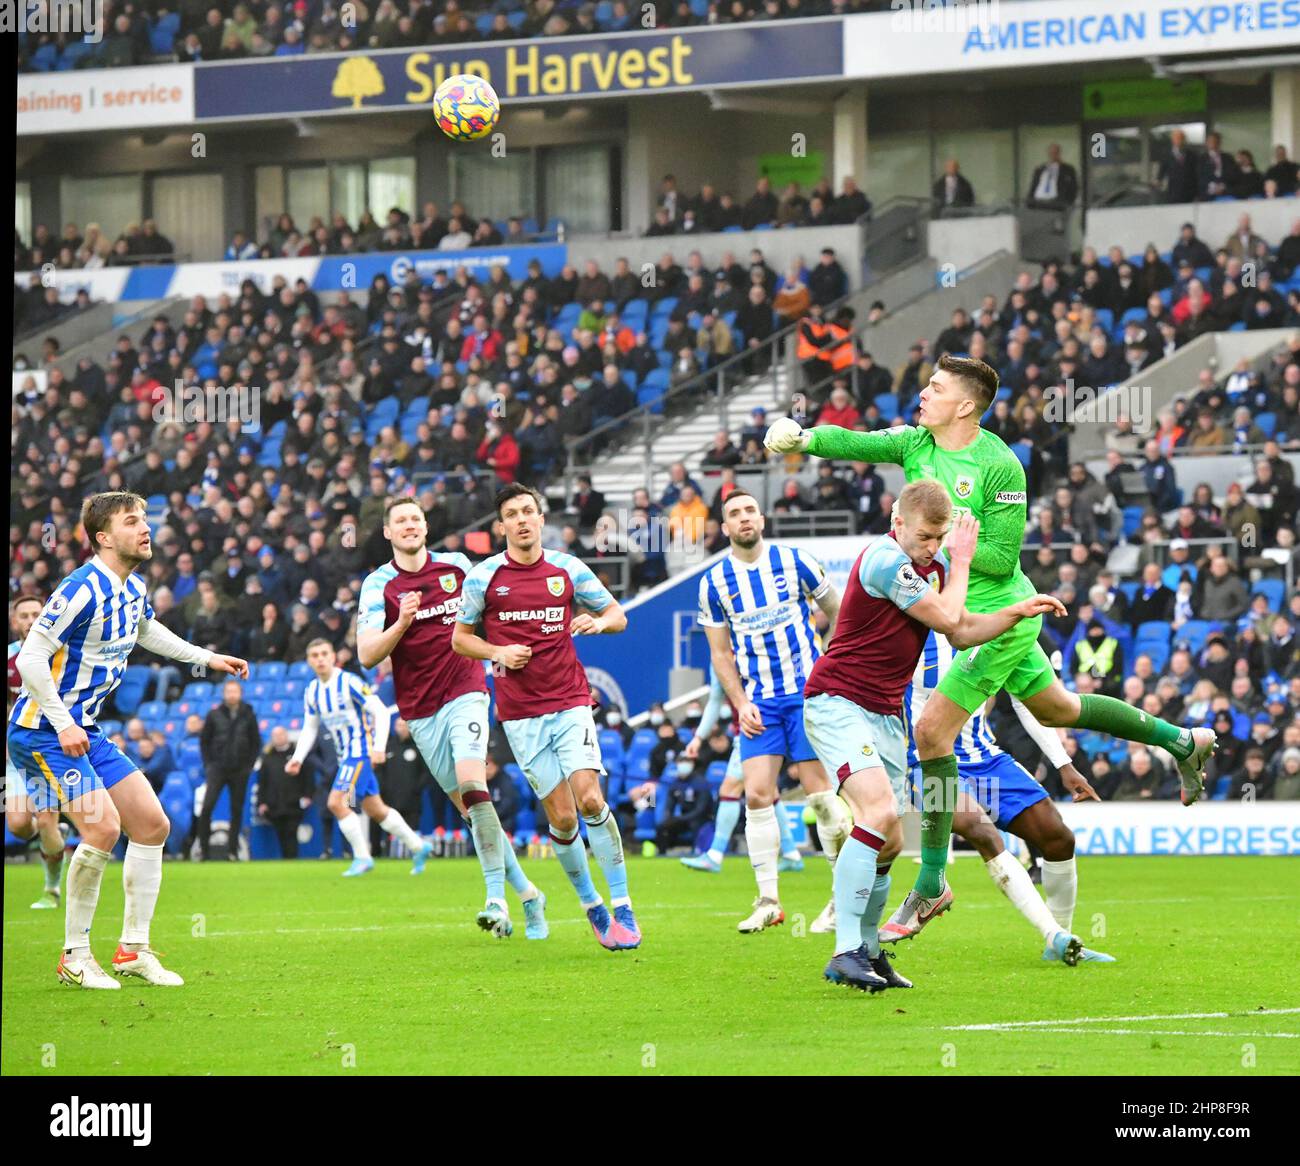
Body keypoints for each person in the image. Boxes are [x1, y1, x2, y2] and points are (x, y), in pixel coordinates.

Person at [766, 354, 1217, 928]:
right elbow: (855, 441)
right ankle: (1182, 740)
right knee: (1061, 707)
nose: (922, 394)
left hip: (999, 614)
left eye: (935, 387)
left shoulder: (1001, 465)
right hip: (972, 618)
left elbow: (1004, 558)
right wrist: (803, 437)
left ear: (966, 405)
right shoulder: (913, 444)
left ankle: (929, 883)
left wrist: (947, 537)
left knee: (931, 731)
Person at [803, 485, 1067, 990]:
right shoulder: (884, 559)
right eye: (924, 536)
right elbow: (948, 616)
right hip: (837, 700)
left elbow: (962, 632)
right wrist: (961, 559)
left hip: (884, 714)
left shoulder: (932, 568)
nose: (931, 546)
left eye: (939, 538)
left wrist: (1017, 610)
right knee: (878, 815)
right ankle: (844, 951)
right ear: (897, 521)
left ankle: (872, 954)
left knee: (889, 840)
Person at [9, 491, 248, 989]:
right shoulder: (80, 588)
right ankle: (74, 956)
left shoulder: (131, 587)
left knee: (153, 824)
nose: (145, 529)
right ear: (102, 537)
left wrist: (208, 659)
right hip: (42, 731)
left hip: (85, 729)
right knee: (102, 831)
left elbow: (149, 633)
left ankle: (131, 950)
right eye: (132, 521)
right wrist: (63, 721)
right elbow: (30, 659)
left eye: (145, 520)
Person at [452, 483, 639, 952]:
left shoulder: (568, 568)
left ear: (540, 518)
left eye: (528, 511)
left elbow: (618, 616)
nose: (521, 520)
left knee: (590, 799)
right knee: (560, 815)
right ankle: (592, 905)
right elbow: (459, 639)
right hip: (520, 713)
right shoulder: (484, 577)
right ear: (501, 526)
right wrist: (497, 650)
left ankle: (622, 904)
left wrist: (598, 622)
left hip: (571, 699)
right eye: (512, 514)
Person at [357, 496, 544, 937]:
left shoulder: (458, 567)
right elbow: (366, 655)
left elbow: (497, 605)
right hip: (420, 711)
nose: (409, 526)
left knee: (474, 783)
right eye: (400, 521)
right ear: (388, 532)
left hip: (467, 691)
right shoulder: (378, 585)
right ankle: (530, 895)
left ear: (425, 527)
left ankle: (495, 898)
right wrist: (401, 623)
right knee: (474, 810)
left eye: (415, 519)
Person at [891, 644, 1114, 963]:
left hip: (985, 758)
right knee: (981, 831)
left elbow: (1027, 701)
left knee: (1058, 838)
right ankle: (1056, 935)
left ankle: (1059, 944)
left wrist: (1062, 762)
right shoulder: (910, 627)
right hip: (926, 763)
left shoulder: (990, 626)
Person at [697, 490, 851, 935]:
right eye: (733, 514)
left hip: (807, 694)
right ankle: (769, 900)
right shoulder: (715, 583)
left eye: (749, 510)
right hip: (760, 703)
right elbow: (721, 654)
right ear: (724, 528)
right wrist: (741, 702)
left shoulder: (795, 561)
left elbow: (838, 612)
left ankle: (844, 896)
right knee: (758, 794)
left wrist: (833, 666)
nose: (743, 518)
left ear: (761, 519)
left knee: (821, 796)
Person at [286, 638, 429, 877]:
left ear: (333, 656)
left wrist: (379, 747)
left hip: (360, 752)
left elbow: (381, 712)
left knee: (336, 802)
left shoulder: (349, 682)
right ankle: (418, 846)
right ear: (309, 661)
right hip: (346, 757)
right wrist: (298, 757)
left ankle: (362, 857)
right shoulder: (312, 691)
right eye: (315, 655)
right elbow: (310, 728)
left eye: (324, 653)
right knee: (376, 809)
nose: (320, 659)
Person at [679, 669, 803, 873]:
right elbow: (716, 699)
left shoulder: (749, 647)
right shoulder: (718, 658)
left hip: (754, 732)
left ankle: (715, 855)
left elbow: (715, 699)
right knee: (769, 792)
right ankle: (791, 853)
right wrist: (699, 738)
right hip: (754, 731)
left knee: (729, 790)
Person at [6, 593, 67, 909]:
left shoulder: (58, 654)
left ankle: (52, 889)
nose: (30, 621)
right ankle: (54, 838)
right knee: (17, 825)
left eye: (36, 614)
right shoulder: (9, 658)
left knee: (46, 823)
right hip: (17, 751)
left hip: (48, 748)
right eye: (24, 616)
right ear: (15, 621)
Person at [193, 678, 262, 861]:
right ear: (224, 694)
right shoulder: (214, 714)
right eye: (229, 691)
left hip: (240, 769)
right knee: (207, 807)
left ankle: (232, 851)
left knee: (237, 810)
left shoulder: (249, 713)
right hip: (217, 768)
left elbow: (256, 742)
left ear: (240, 694)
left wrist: (249, 765)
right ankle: (203, 850)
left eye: (235, 691)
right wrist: (209, 764)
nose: (232, 695)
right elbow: (204, 741)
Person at [256, 725, 311, 859]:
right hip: (274, 803)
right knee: (281, 833)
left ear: (286, 735)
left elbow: (308, 777)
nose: (279, 738)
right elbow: (262, 782)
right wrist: (262, 802)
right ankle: (286, 859)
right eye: (275, 735)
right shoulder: (267, 757)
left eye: (281, 734)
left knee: (292, 832)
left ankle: (292, 859)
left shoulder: (297, 755)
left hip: (294, 802)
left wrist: (307, 795)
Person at [653, 758, 714, 855]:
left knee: (695, 825)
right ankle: (662, 854)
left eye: (686, 762)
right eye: (681, 762)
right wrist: (669, 817)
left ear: (692, 764)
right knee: (662, 826)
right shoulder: (675, 783)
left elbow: (700, 809)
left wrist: (680, 818)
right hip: (684, 817)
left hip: (702, 818)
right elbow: (670, 804)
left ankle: (697, 852)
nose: (683, 765)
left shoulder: (700, 782)